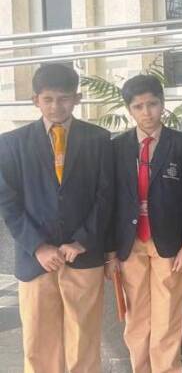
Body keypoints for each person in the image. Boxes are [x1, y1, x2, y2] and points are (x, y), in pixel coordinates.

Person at [0, 64, 113, 373]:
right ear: (35, 100)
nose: (55, 106)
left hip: (83, 255)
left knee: (84, 340)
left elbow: (106, 196)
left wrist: (82, 240)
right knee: (39, 343)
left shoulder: (99, 139)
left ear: (77, 98)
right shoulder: (11, 144)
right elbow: (7, 202)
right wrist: (38, 246)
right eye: (48, 99)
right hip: (36, 259)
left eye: (63, 98)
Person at [111, 75, 182, 372]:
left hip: (170, 242)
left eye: (152, 104)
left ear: (162, 104)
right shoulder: (118, 147)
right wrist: (111, 251)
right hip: (130, 241)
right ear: (129, 110)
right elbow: (109, 200)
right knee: (136, 315)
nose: (146, 112)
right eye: (138, 107)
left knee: (168, 314)